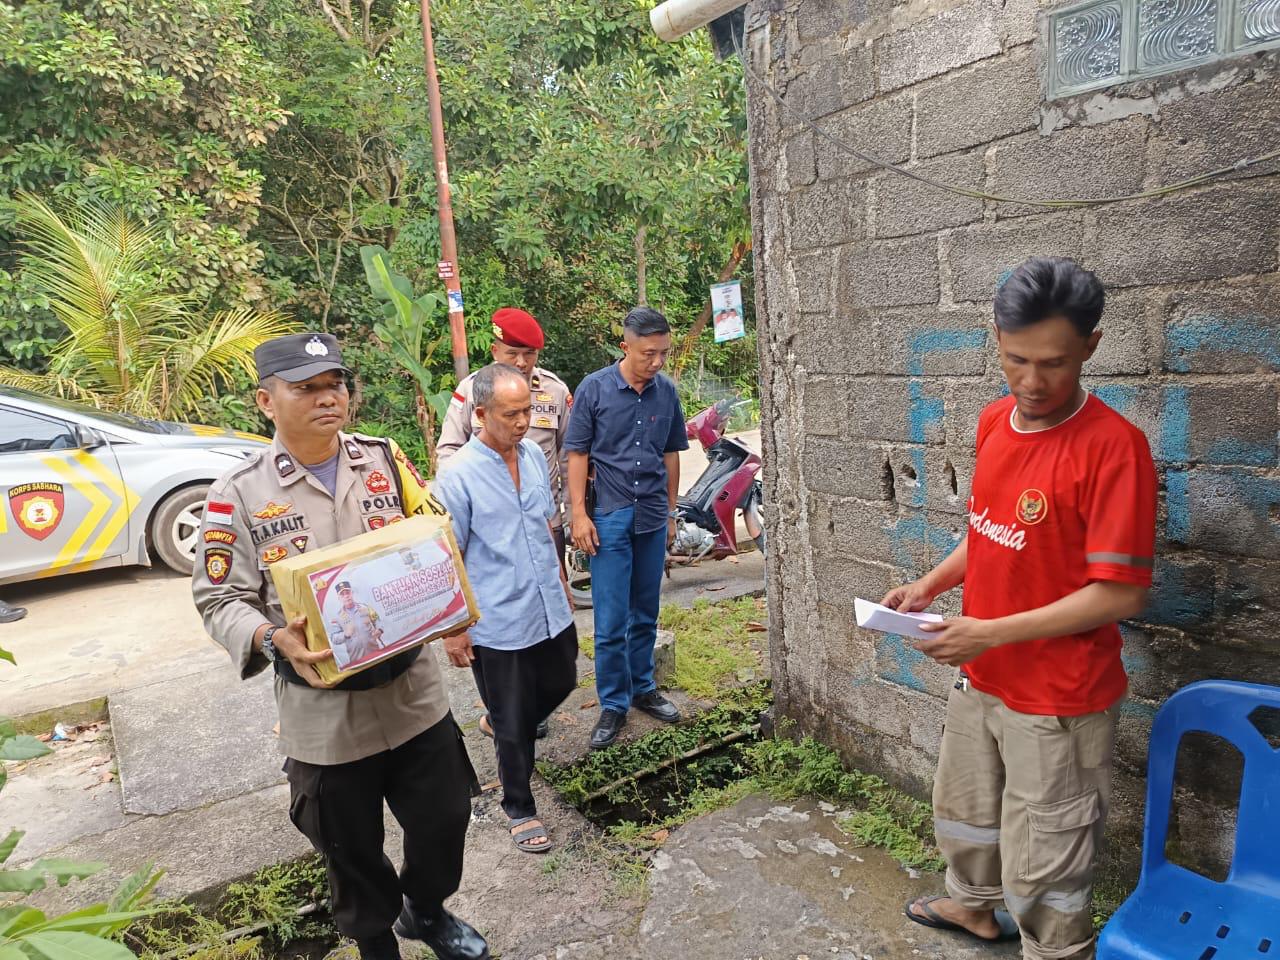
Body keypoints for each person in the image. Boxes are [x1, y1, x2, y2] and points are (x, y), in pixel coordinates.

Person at [883, 258, 1156, 960]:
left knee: (1048, 862)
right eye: (1016, 360)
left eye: (1054, 364)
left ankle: (1056, 950)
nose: (1032, 383)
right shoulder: (996, 422)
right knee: (966, 812)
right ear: (996, 338)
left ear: (1092, 347)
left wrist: (989, 632)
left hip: (1059, 699)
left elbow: (1121, 592)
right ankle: (972, 907)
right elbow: (991, 530)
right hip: (985, 676)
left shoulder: (1115, 449)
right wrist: (930, 585)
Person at [191, 332, 489, 960]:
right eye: (307, 388)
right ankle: (377, 943)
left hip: (413, 692)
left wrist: (451, 606)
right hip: (326, 713)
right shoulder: (238, 493)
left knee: (445, 821)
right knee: (350, 849)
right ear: (267, 401)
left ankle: (428, 912)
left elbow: (433, 535)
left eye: (336, 385)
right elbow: (218, 600)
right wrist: (271, 637)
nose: (329, 399)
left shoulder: (382, 459)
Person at [433, 364, 578, 854]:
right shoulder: (459, 476)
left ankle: (503, 721)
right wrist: (453, 630)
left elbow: (547, 521)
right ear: (480, 415)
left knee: (564, 680)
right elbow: (445, 555)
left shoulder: (535, 457)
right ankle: (519, 805)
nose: (522, 422)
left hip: (548, 604)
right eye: (510, 414)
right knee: (517, 724)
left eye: (526, 412)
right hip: (496, 618)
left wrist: (559, 571)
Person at [564, 306, 689, 750]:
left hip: (653, 516)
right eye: (647, 354)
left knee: (646, 612)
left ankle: (643, 688)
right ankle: (613, 703)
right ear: (626, 347)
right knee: (612, 618)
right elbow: (576, 453)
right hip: (609, 518)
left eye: (663, 354)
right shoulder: (595, 389)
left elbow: (672, 453)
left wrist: (673, 513)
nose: (656, 363)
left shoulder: (666, 392)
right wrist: (579, 514)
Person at [437, 307, 572, 573]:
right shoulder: (472, 390)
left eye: (529, 353)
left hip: (544, 520)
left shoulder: (554, 390)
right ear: (494, 351)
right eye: (512, 353)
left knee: (554, 592)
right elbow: (448, 452)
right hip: (491, 527)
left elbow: (569, 457)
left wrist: (571, 517)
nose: (521, 362)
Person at [334, 581, 383, 665]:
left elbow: (377, 620)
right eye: (342, 594)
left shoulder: (365, 607)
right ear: (339, 598)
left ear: (352, 593)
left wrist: (380, 629)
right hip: (356, 659)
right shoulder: (337, 617)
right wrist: (345, 634)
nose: (346, 596)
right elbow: (334, 638)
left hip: (374, 652)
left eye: (348, 592)